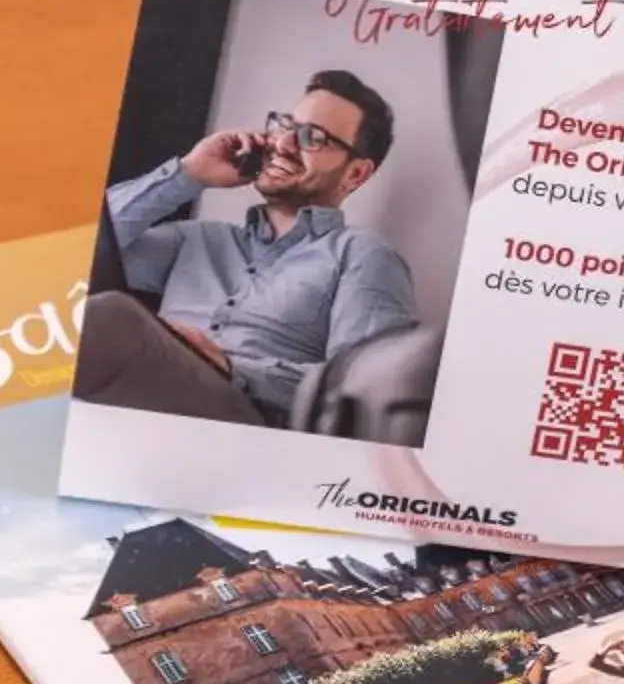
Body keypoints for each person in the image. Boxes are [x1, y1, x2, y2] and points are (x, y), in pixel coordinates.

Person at [76, 70, 419, 428]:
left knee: (112, 318)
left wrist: (228, 366)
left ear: (356, 174)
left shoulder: (362, 256)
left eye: (312, 138)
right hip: (130, 401)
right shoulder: (196, 240)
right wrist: (188, 174)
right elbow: (76, 249)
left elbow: (360, 391)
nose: (284, 144)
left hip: (240, 420)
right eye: (284, 125)